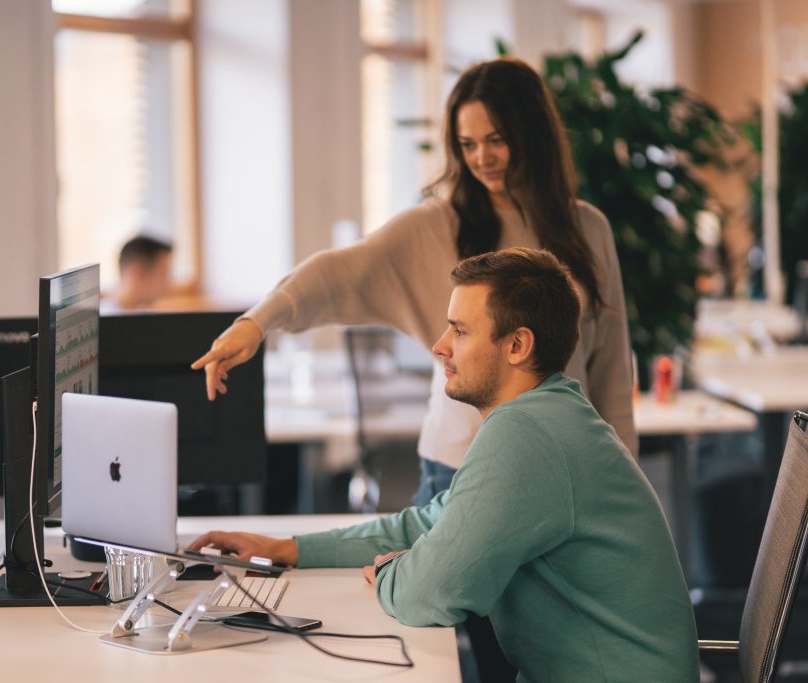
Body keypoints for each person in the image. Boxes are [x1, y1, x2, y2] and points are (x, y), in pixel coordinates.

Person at [190, 248, 698, 682]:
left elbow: (428, 595)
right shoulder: (545, 416)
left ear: (518, 345)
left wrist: (398, 571)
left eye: (459, 329)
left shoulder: (529, 434)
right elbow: (429, 522)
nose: (439, 346)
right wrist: (288, 549)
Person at [192, 56, 636, 507]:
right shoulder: (436, 227)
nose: (481, 157)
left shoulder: (588, 228)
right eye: (468, 144)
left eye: (496, 140)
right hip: (462, 470)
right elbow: (335, 273)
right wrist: (256, 323)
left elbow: (611, 369)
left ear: (534, 137)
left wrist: (623, 480)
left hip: (563, 469)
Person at [102, 235, 174, 312]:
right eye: (162, 274)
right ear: (137, 274)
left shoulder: (142, 311)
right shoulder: (105, 317)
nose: (169, 282)